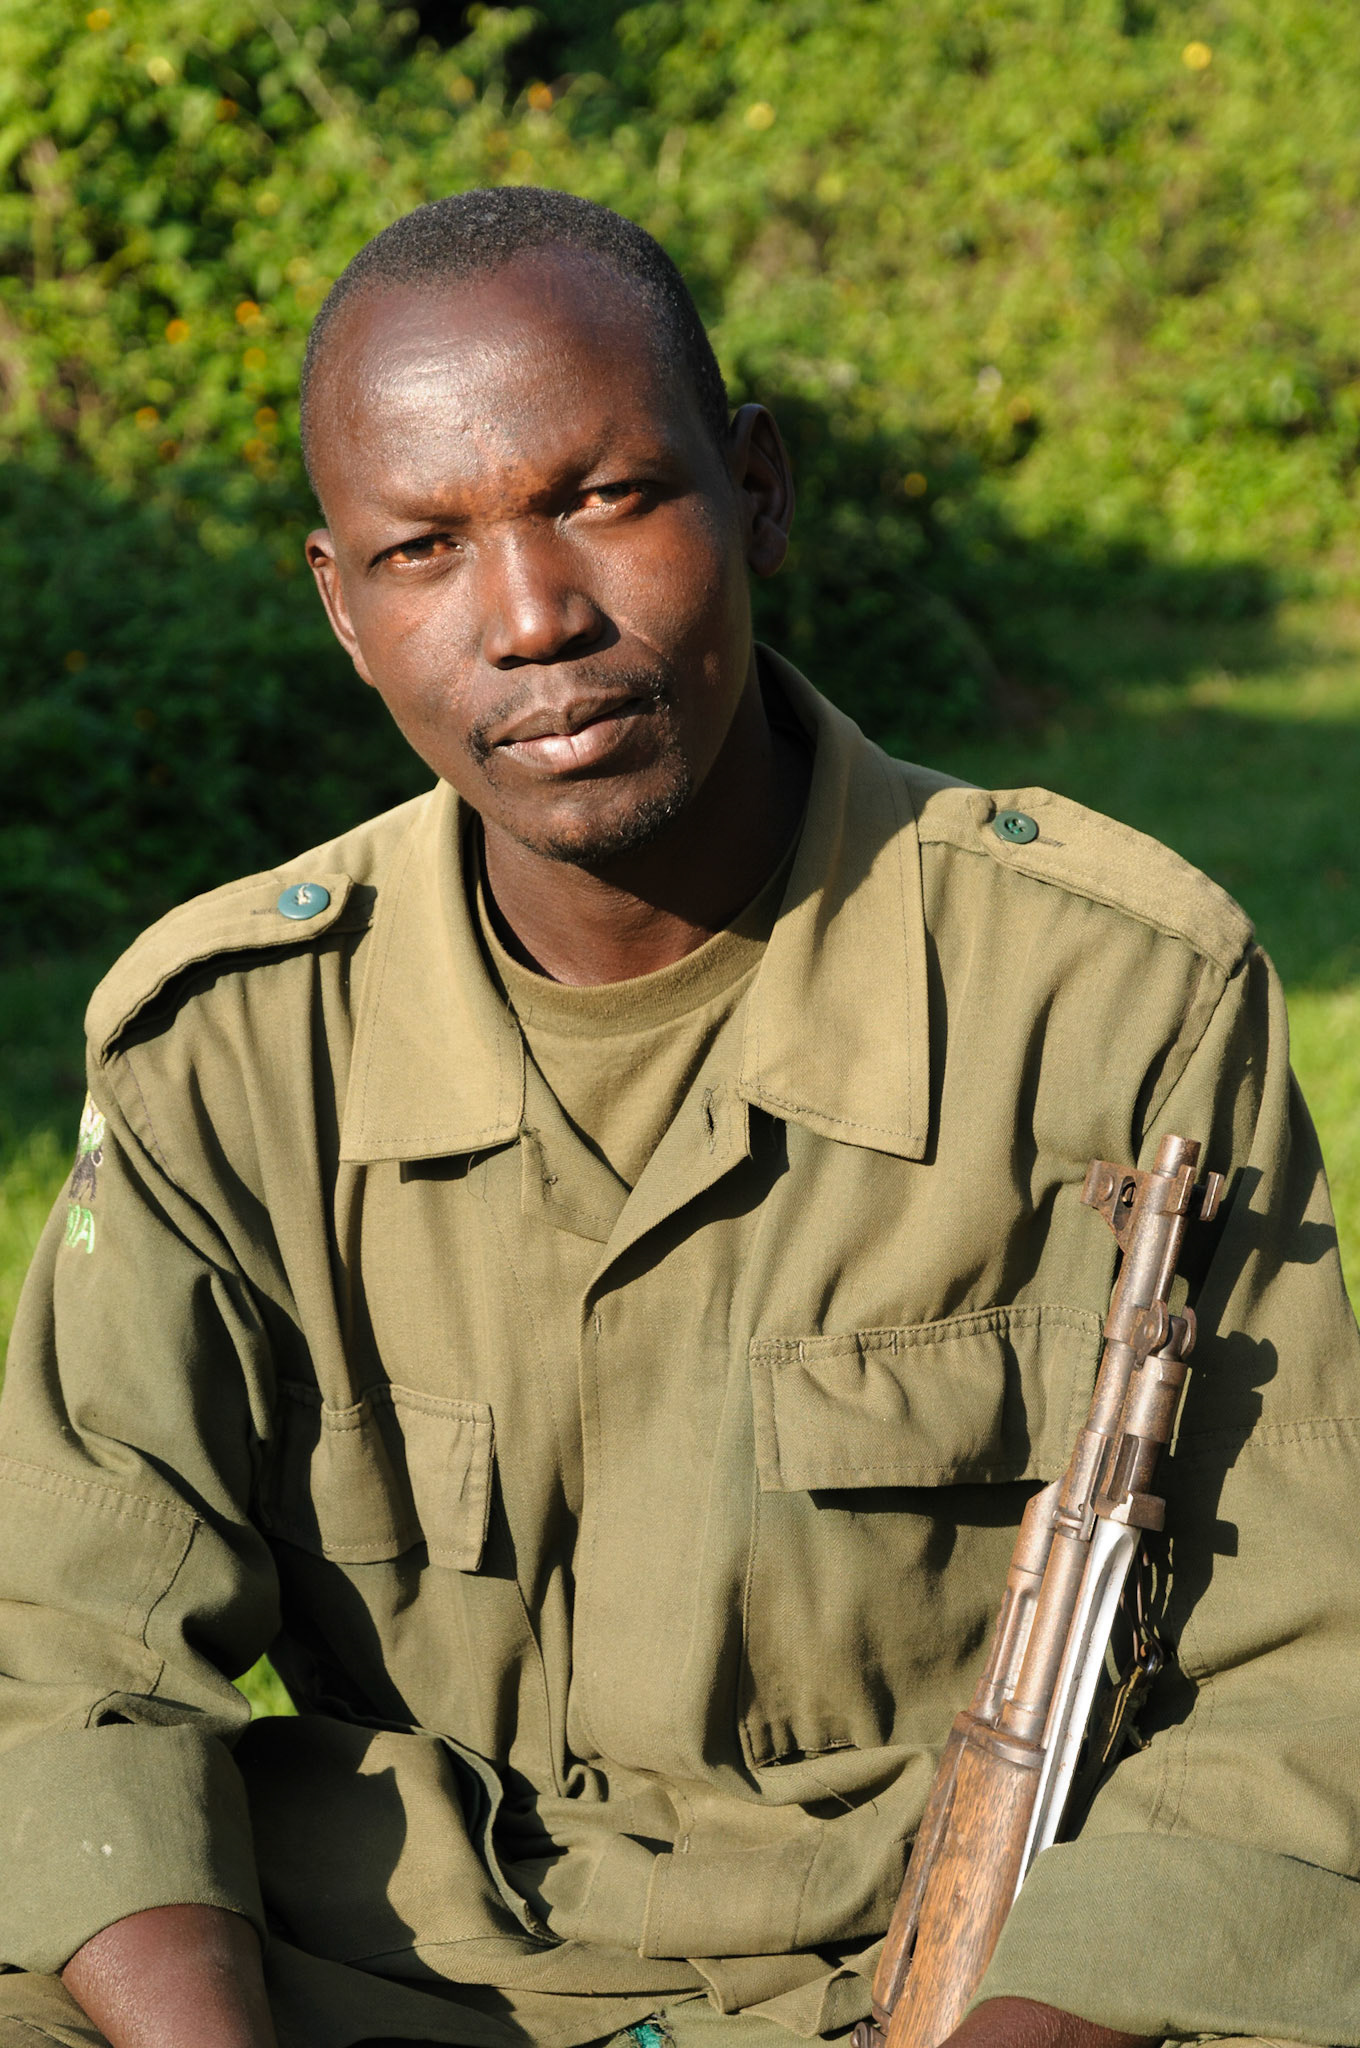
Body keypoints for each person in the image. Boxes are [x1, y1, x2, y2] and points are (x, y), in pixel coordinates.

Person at [1, 187, 1358, 2048]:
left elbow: (1305, 1673)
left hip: (954, 1971)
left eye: (605, 498)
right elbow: (59, 1654)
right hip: (388, 1977)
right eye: (426, 549)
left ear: (759, 490)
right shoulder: (227, 1049)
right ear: (342, 607)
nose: (533, 617)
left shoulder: (1114, 996)